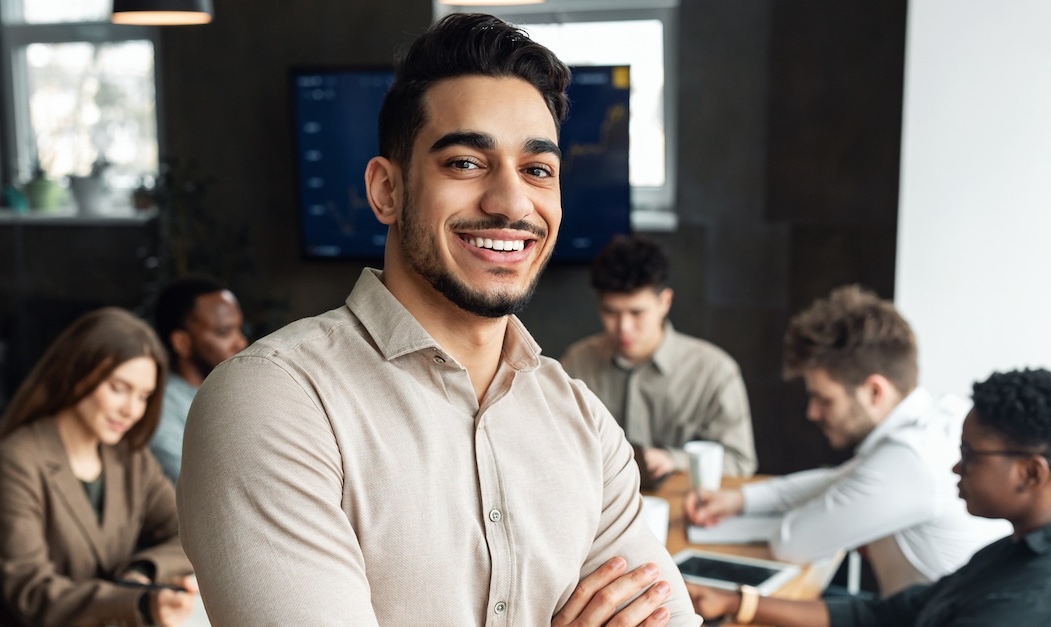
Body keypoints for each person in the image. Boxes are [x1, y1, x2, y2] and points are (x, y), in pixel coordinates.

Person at [177, 13, 697, 627]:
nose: (510, 202)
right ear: (386, 190)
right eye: (466, 163)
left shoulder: (584, 424)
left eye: (537, 170)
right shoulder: (272, 401)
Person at [683, 368, 1051, 626]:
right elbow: (891, 616)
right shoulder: (1027, 549)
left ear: (1030, 473)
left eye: (970, 456)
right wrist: (737, 602)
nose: (956, 467)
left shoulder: (1033, 599)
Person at [686, 285, 1004, 595]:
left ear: (874, 391)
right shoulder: (935, 420)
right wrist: (740, 500)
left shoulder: (911, 460)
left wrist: (743, 520)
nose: (812, 412)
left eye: (824, 400)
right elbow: (842, 479)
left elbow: (793, 543)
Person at [0, 307, 197, 627]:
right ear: (78, 372)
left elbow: (190, 531)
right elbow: (31, 593)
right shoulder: (17, 460)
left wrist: (144, 571)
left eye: (144, 396)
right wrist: (138, 603)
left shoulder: (129, 458)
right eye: (119, 388)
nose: (131, 410)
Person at [562, 235, 756, 481]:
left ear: (665, 302)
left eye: (637, 312)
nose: (624, 328)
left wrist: (673, 460)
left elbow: (740, 461)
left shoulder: (714, 371)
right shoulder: (577, 363)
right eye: (611, 312)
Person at [150, 276, 248, 481]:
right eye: (224, 332)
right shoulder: (160, 408)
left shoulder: (237, 393)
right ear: (181, 343)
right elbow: (197, 484)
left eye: (239, 329)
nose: (240, 342)